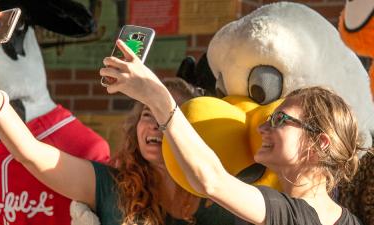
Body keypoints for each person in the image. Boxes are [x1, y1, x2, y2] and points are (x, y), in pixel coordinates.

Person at [0, 11, 237, 225]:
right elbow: (30, 153)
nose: (155, 123)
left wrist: (158, 98)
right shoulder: (112, 187)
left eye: (166, 114)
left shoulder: (216, 193)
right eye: (147, 113)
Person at [97, 40, 364, 225]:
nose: (263, 127)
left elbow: (211, 180)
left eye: (280, 119)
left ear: (319, 144)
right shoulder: (347, 220)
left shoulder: (289, 212)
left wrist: (159, 100)